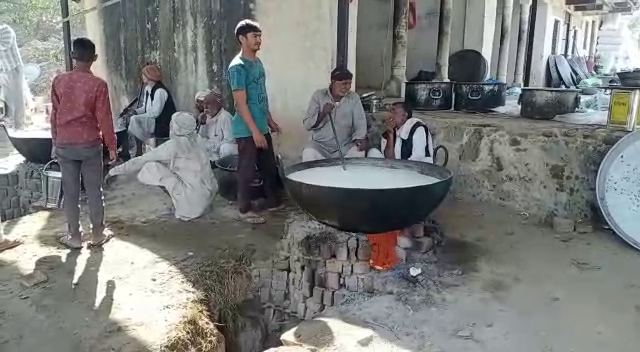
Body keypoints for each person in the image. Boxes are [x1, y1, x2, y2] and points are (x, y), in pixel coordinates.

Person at [50, 37, 117, 249]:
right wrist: (112, 146)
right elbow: (104, 118)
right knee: (94, 190)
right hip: (89, 144)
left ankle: (75, 238)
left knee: (70, 193)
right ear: (94, 58)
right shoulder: (99, 85)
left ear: (72, 56)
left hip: (65, 144)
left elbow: (54, 115)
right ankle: (97, 234)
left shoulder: (59, 81)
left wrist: (55, 141)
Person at [106, 112, 217, 221]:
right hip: (208, 196)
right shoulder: (199, 139)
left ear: (176, 127)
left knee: (150, 167)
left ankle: (181, 205)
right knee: (173, 167)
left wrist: (114, 171)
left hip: (192, 206)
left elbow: (140, 161)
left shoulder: (173, 145)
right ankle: (195, 204)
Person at [228, 19, 282, 224]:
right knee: (247, 170)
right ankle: (244, 209)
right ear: (242, 39)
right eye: (254, 36)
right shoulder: (238, 67)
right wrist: (255, 132)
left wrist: (269, 121)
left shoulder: (257, 63)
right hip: (246, 129)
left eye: (260, 36)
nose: (259, 40)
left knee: (269, 167)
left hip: (260, 125)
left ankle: (272, 202)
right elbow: (241, 104)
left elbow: (261, 96)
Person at [302, 67, 383, 161]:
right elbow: (307, 125)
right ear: (333, 82)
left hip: (345, 146)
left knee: (358, 152)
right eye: (344, 83)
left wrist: (360, 138)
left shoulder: (354, 98)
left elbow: (360, 122)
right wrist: (322, 114)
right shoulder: (319, 96)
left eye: (349, 83)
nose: (347, 87)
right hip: (321, 146)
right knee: (308, 153)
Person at [127, 64, 176, 156]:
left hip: (162, 123)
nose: (142, 77)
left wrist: (137, 116)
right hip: (152, 120)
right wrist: (135, 111)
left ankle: (147, 142)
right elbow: (145, 108)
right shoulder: (148, 89)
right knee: (132, 119)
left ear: (149, 75)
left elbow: (155, 113)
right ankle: (139, 150)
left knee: (134, 120)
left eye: (143, 75)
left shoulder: (160, 91)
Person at [197, 89, 237, 162]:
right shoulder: (206, 117)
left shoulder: (225, 117)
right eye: (204, 103)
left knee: (226, 148)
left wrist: (211, 146)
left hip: (222, 150)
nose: (205, 107)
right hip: (211, 151)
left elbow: (230, 140)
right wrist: (201, 124)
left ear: (217, 104)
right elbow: (200, 137)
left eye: (208, 103)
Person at [0, 24, 27, 129]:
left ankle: (19, 126)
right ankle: (11, 124)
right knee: (8, 98)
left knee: (17, 98)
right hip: (3, 69)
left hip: (14, 68)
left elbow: (3, 45)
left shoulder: (6, 30)